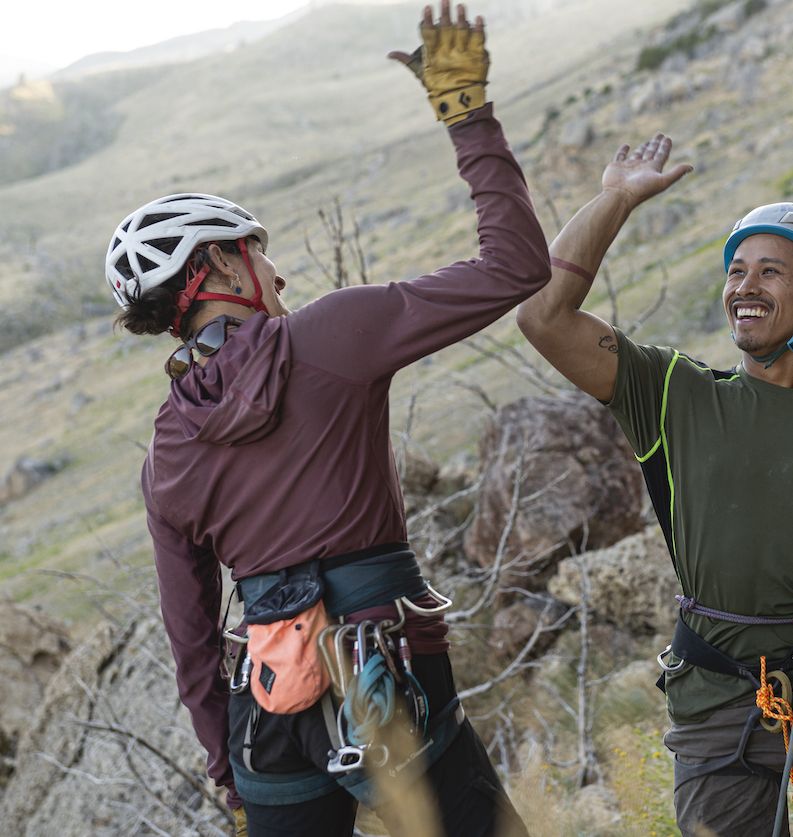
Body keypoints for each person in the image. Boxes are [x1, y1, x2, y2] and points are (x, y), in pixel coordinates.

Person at [105, 3, 546, 835]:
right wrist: (467, 114)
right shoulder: (331, 335)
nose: (273, 268)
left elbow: (192, 636)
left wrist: (225, 764)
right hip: (390, 671)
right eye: (256, 248)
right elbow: (517, 264)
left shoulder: (168, 450)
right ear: (221, 266)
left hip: (268, 712)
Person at [515, 135, 793, 836]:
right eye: (736, 271)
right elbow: (542, 315)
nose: (743, 287)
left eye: (769, 272)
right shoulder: (673, 393)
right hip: (716, 700)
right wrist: (617, 198)